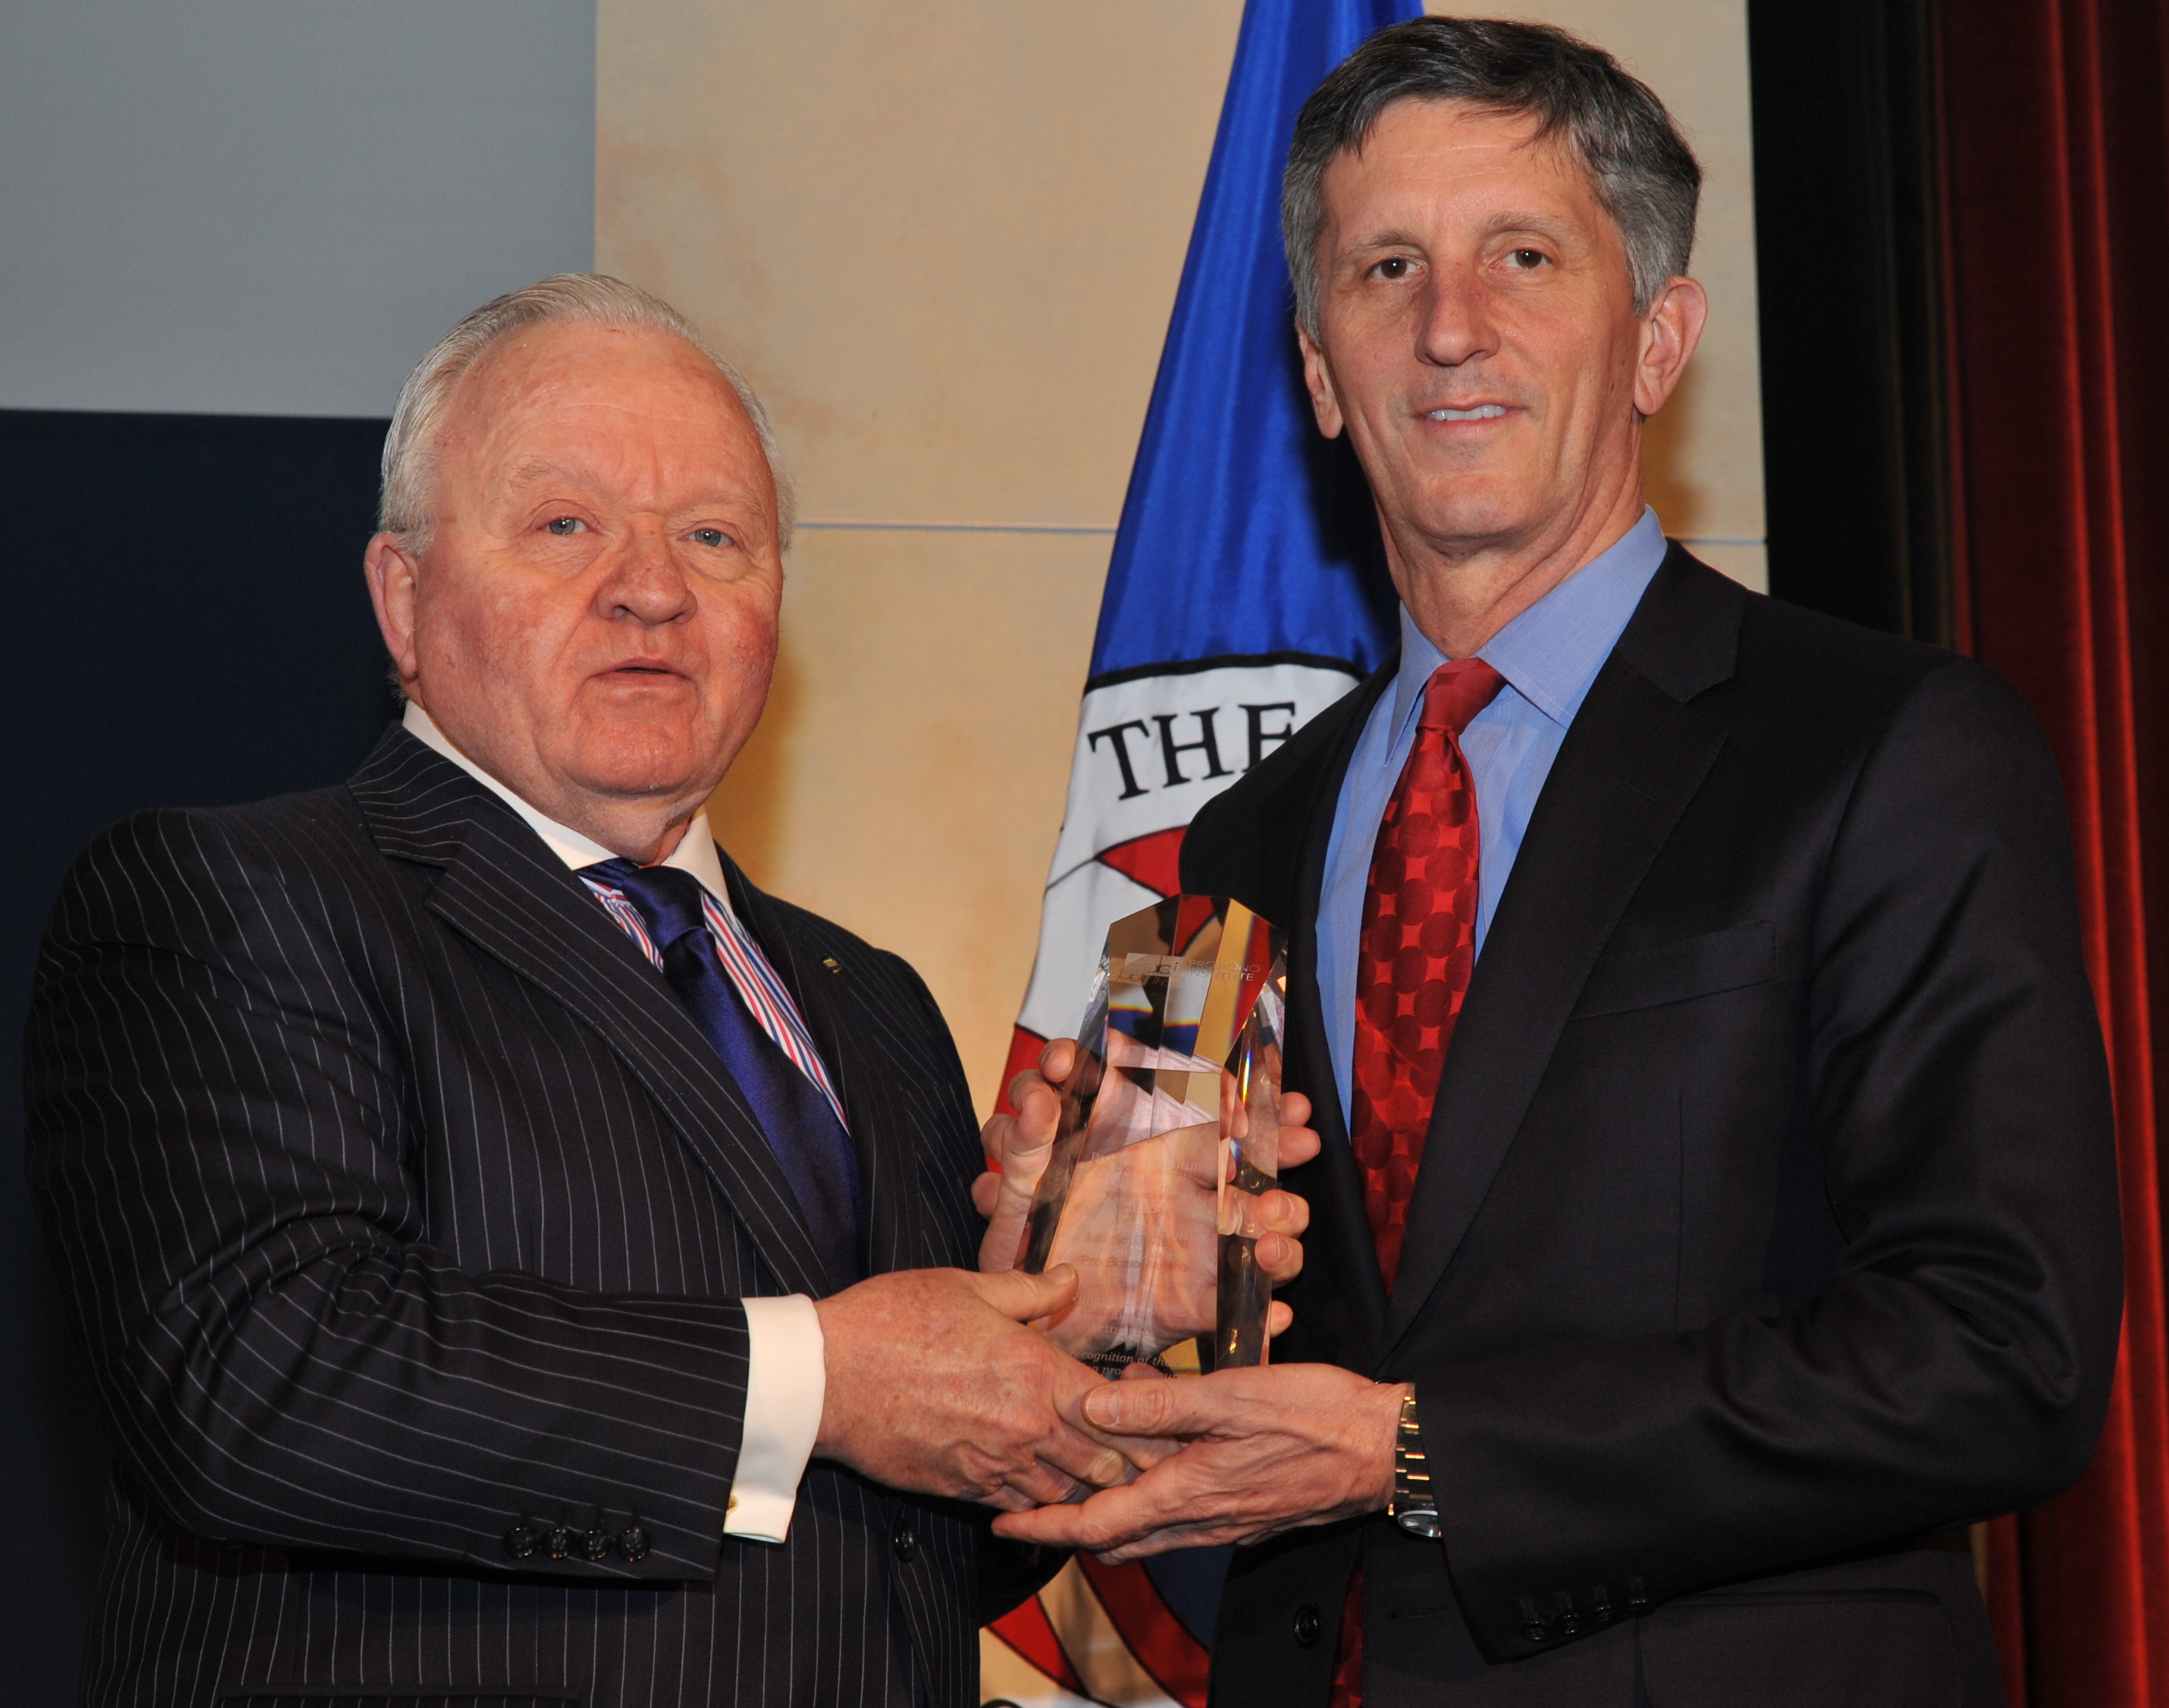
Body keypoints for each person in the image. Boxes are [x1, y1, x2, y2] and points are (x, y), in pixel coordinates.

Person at [991, 20, 2124, 1706]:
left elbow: (1999, 1350)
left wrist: (1420, 1452)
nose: (1450, 325)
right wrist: (1086, 1282)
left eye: (1523, 256)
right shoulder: (1243, 837)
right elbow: (1231, 1369)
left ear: (1659, 338)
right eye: (1386, 268)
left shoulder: (1886, 744)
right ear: (1319, 372)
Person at [21, 274, 1316, 1708]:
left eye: (714, 535)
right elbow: (259, 1386)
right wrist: (828, 1379)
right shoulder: (231, 897)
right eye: (564, 525)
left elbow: (915, 1563)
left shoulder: (867, 999)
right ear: (404, 598)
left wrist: (1050, 1346)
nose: (653, 586)